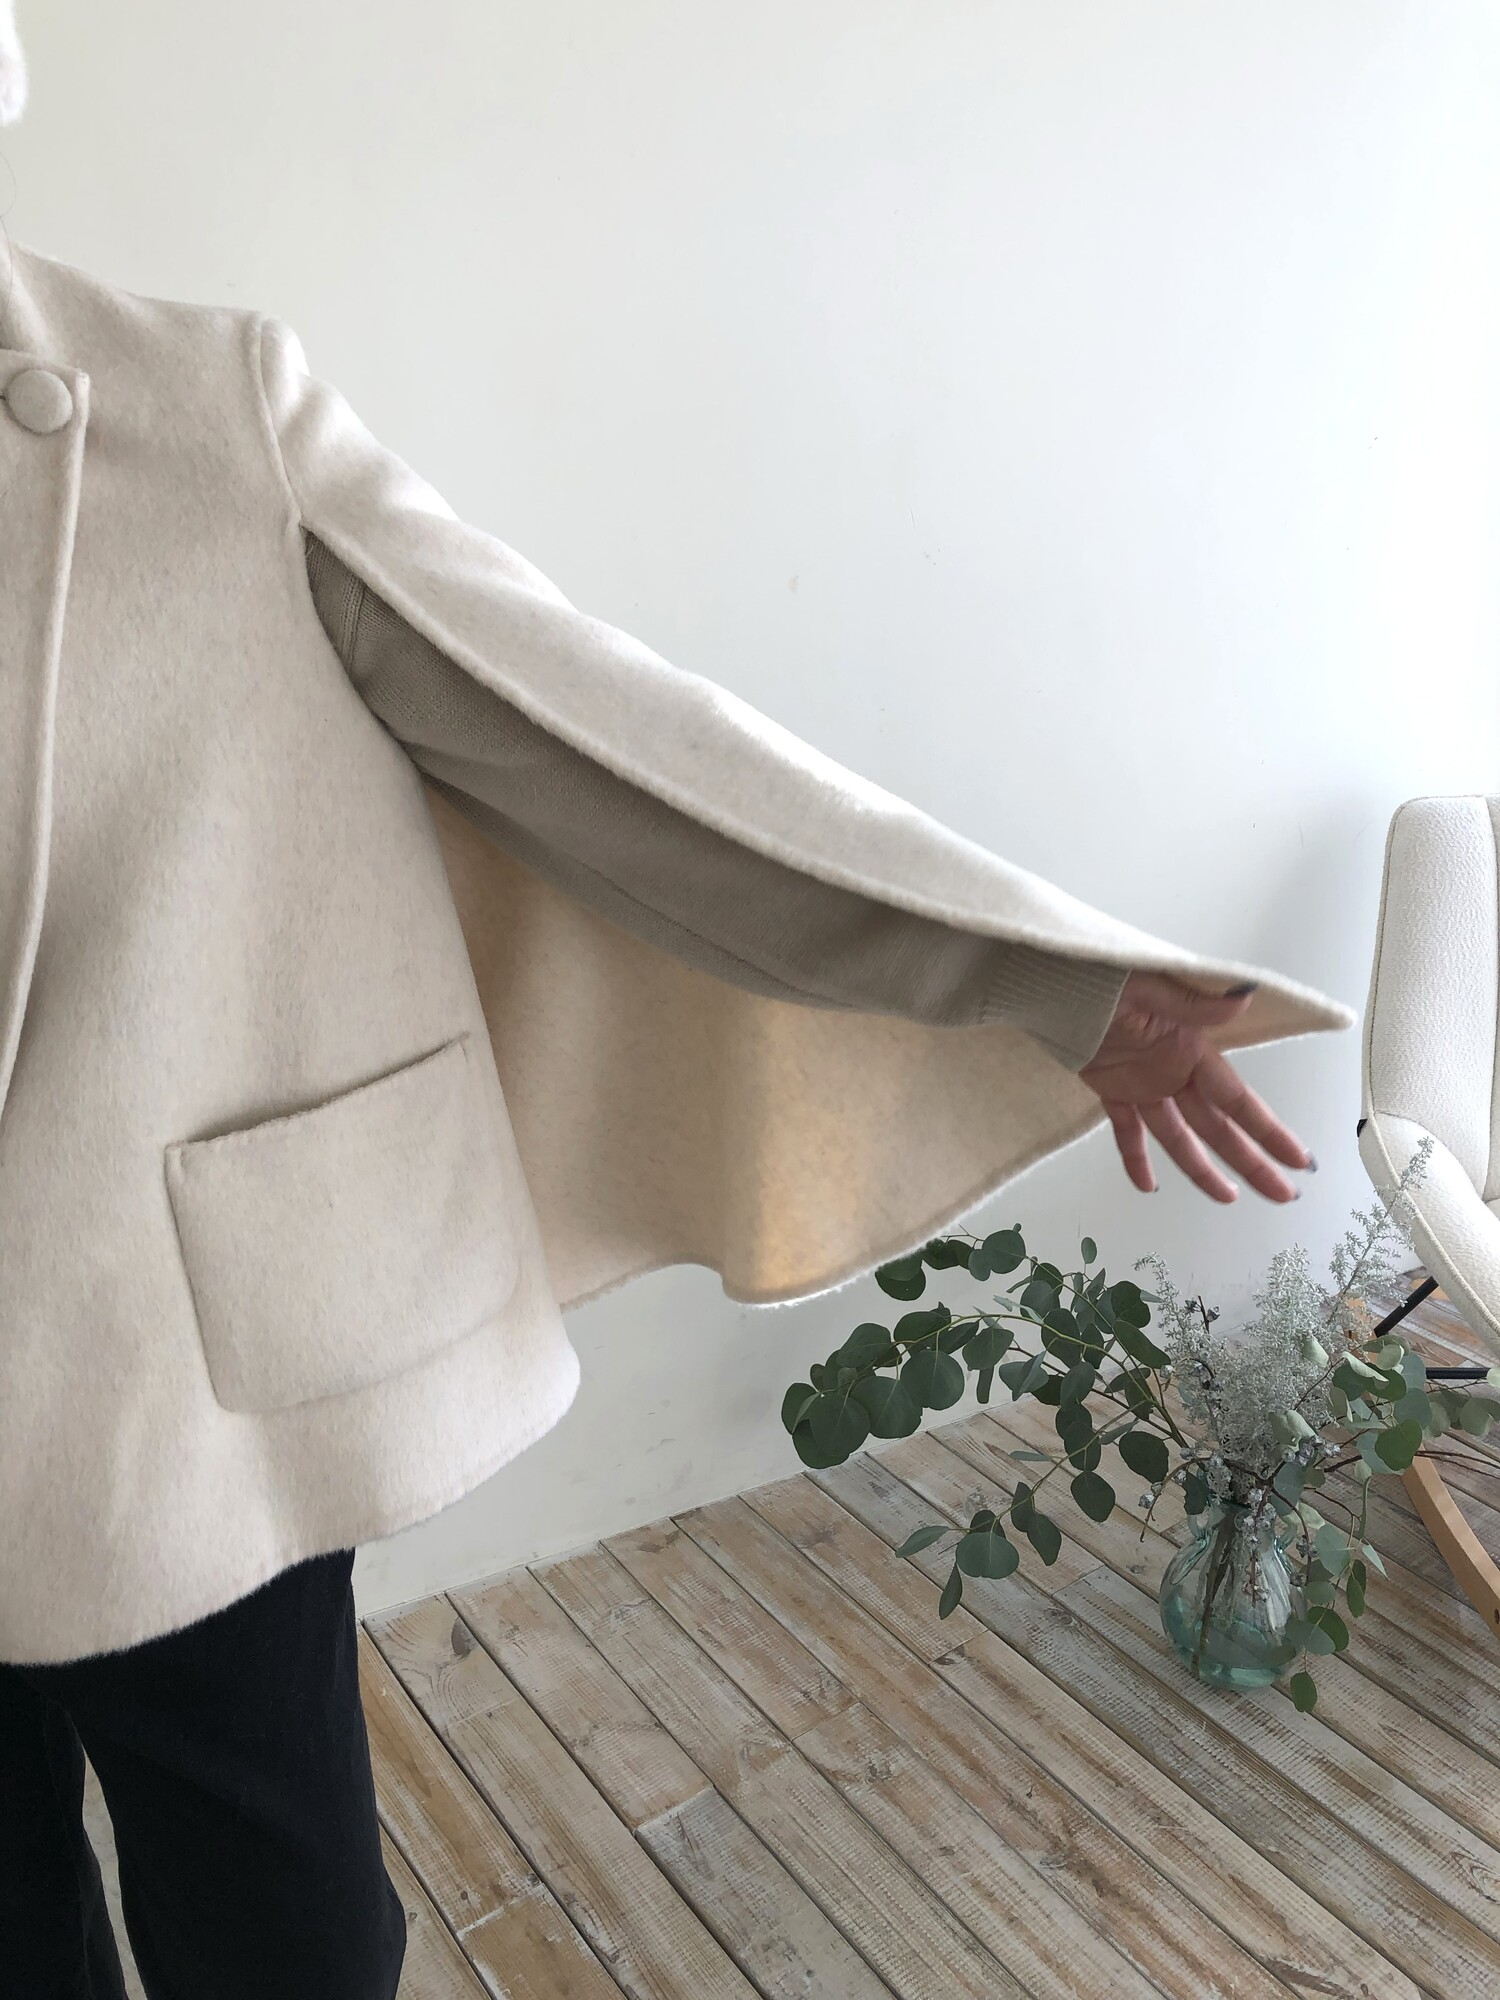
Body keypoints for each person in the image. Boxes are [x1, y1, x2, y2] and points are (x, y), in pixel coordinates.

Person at [0, 13, 1348, 1996]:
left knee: (280, 1929)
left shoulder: (192, 410)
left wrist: (1042, 975)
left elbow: (603, 744)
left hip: (167, 1392)